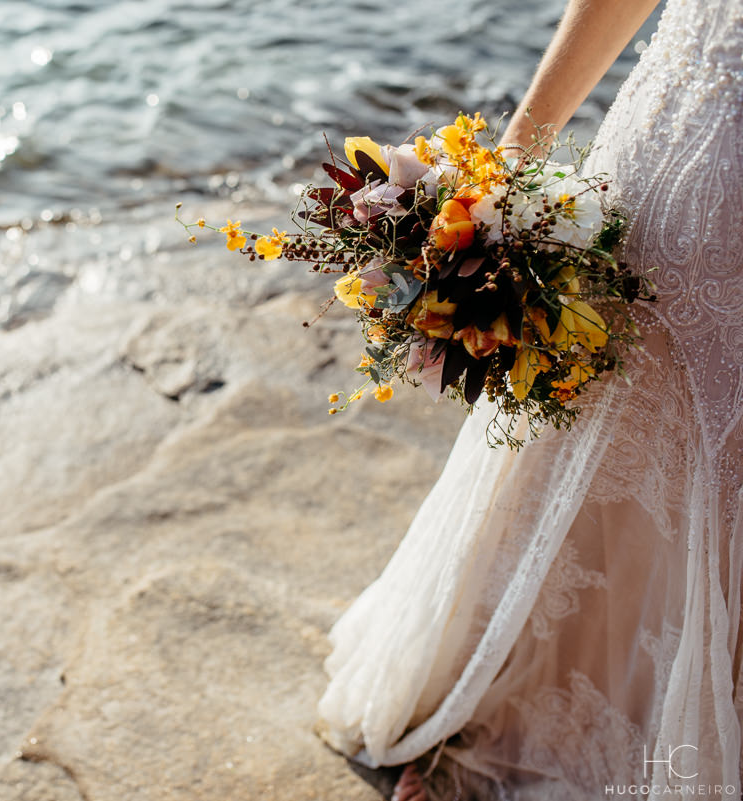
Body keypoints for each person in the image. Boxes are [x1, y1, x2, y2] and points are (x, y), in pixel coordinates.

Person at [315, 0, 743, 798]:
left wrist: (513, 159)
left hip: (707, 150)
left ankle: (531, 715)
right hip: (707, 146)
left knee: (613, 426)